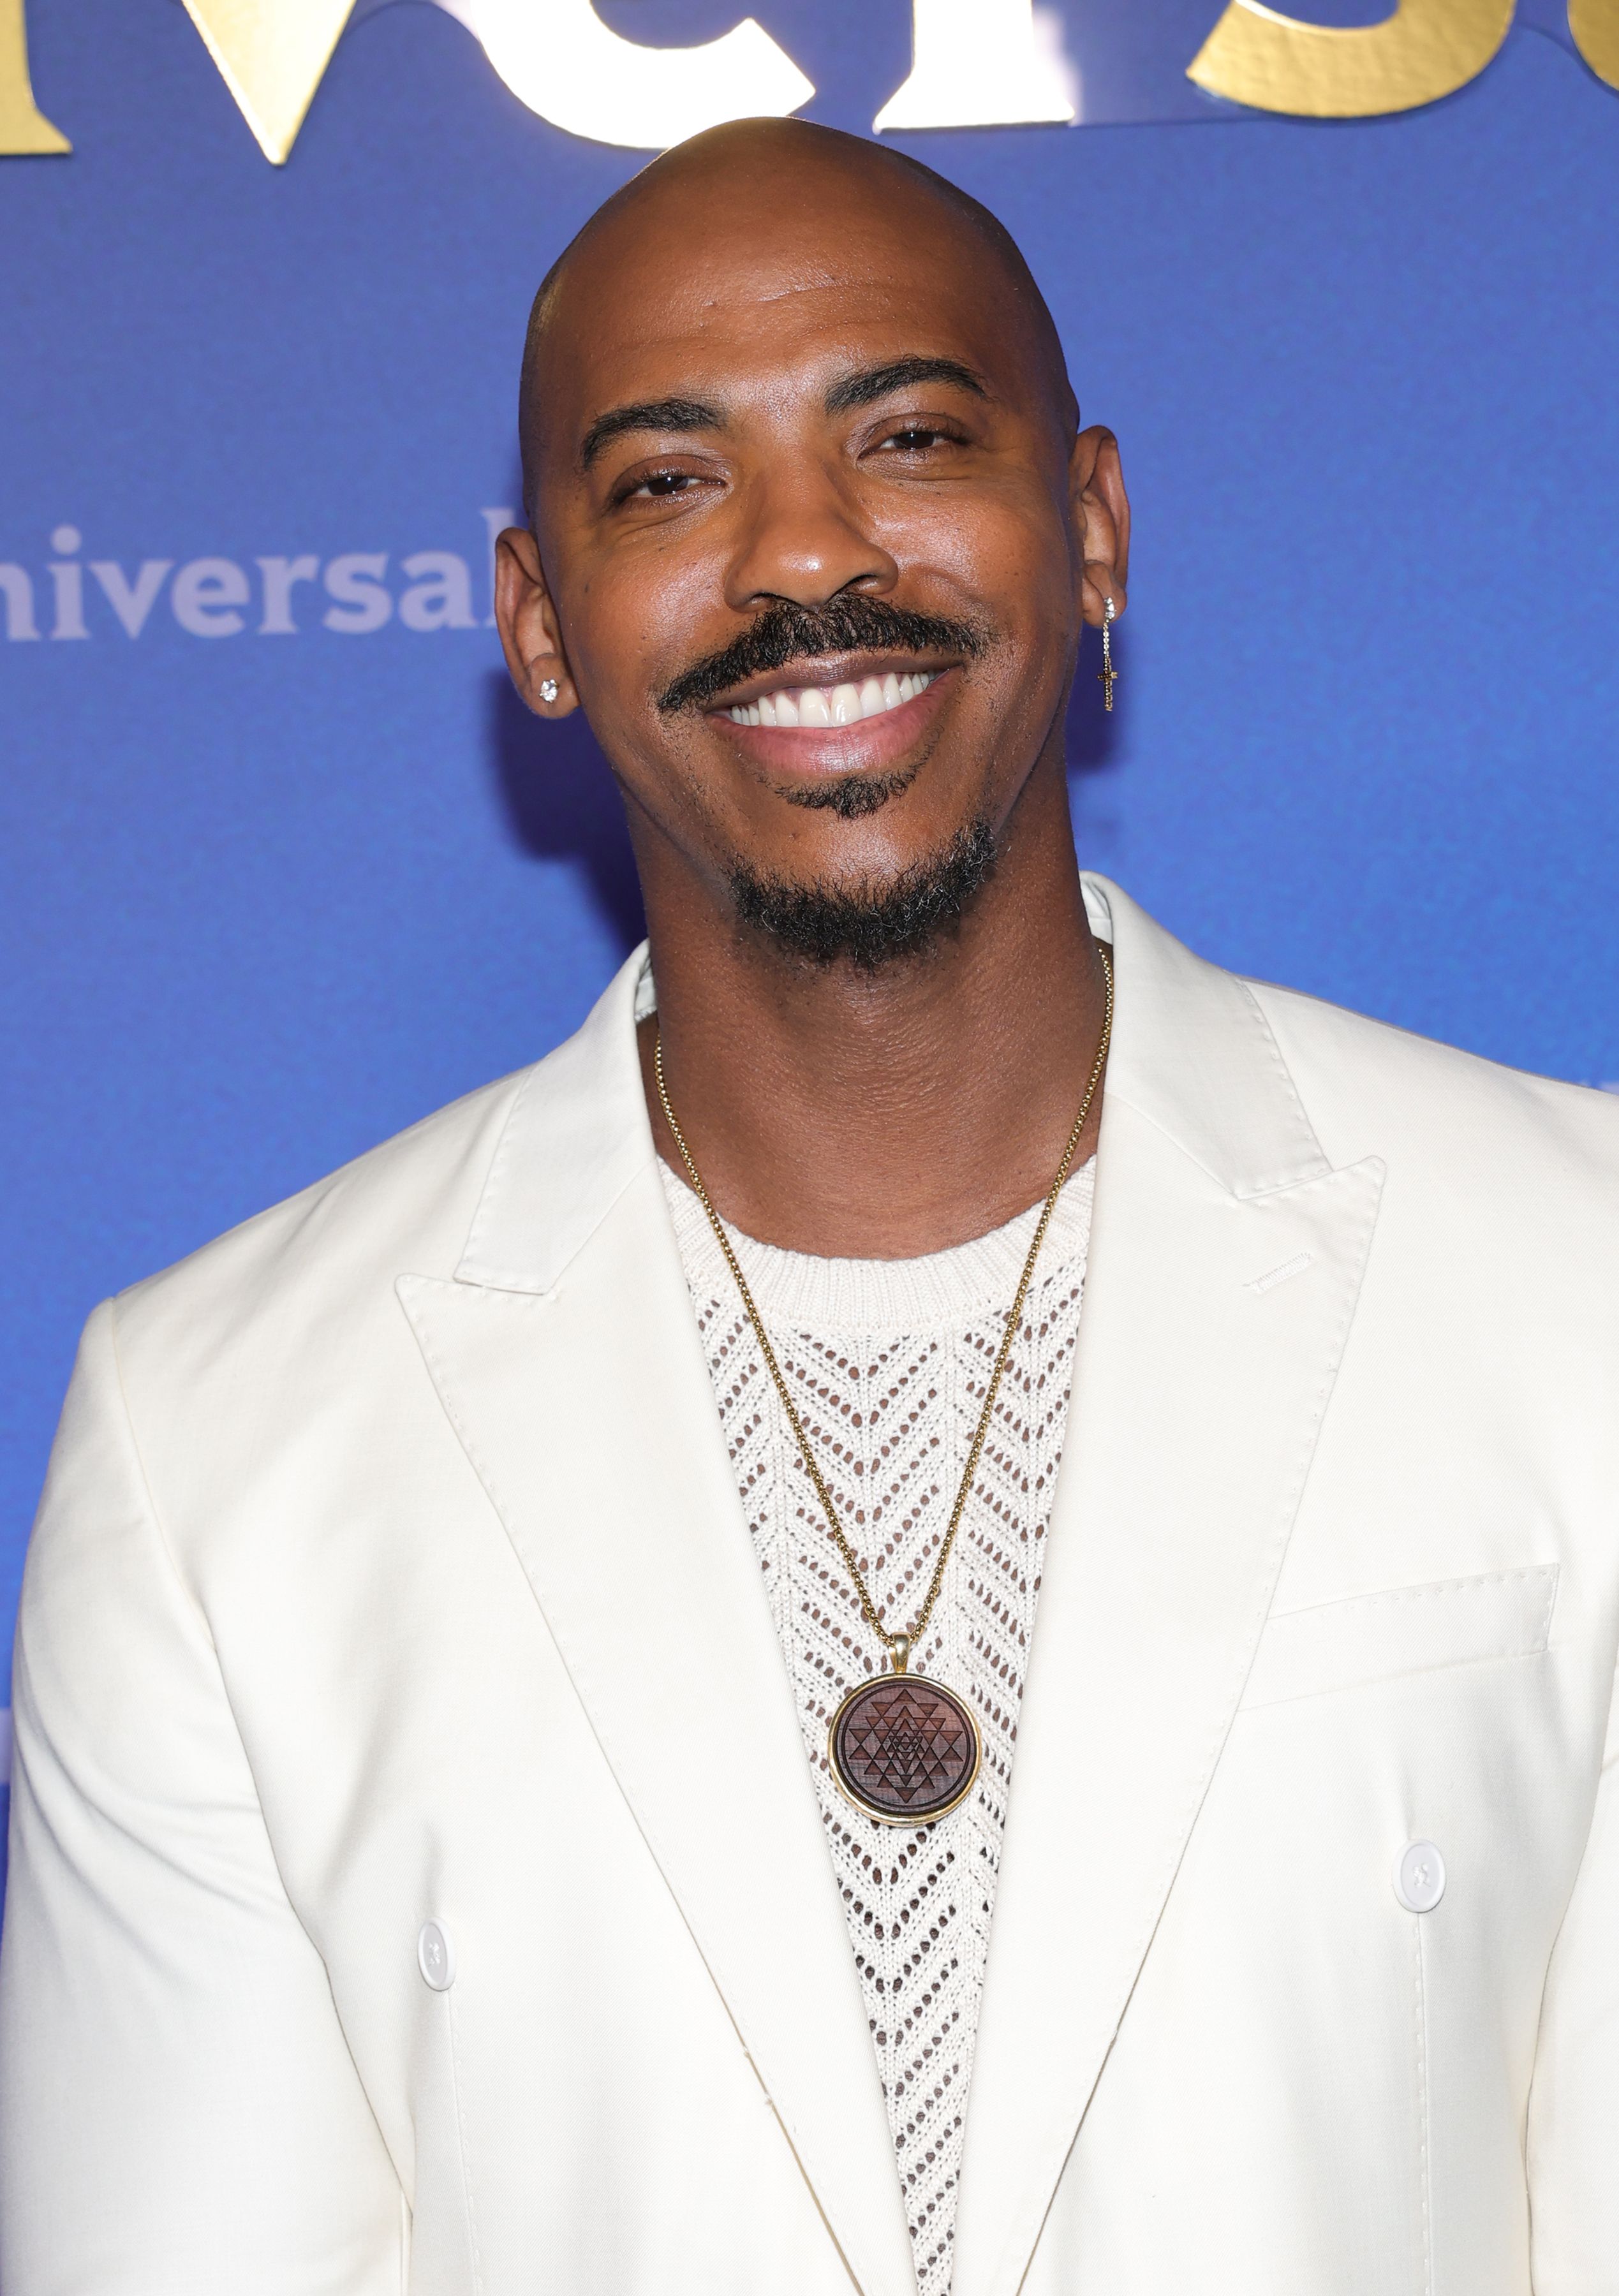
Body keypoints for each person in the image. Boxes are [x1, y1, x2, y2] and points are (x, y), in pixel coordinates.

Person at [1, 117, 1615, 2296]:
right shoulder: (219, 1440)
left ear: (1095, 525)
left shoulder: (1565, 1271)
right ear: (538, 623)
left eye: (911, 433)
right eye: (666, 482)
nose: (798, 556)